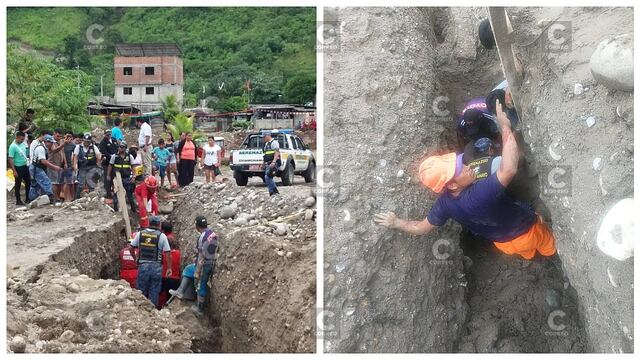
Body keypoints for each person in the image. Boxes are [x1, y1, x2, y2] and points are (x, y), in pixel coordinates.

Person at [374, 101, 557, 261]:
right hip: (527, 232)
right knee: (547, 243)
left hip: (503, 244)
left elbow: (422, 227)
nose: (468, 166)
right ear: (452, 184)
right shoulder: (480, 193)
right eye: (460, 169)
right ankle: (551, 254)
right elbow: (509, 168)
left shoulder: (445, 203)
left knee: (526, 251)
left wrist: (396, 222)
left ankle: (531, 256)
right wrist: (505, 128)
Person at [170, 215, 218, 316]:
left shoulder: (202, 237)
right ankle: (180, 291)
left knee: (201, 284)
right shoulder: (212, 233)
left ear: (197, 226)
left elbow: (201, 255)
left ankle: (199, 308)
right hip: (211, 262)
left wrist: (197, 271)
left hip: (204, 264)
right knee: (188, 269)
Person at [128, 216, 172, 308]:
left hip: (143, 266)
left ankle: (141, 310)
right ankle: (152, 311)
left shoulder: (140, 234)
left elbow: (131, 247)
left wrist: (135, 258)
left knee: (141, 291)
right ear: (159, 225)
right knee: (154, 291)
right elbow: (168, 253)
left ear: (149, 223)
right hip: (156, 267)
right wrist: (169, 268)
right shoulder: (162, 236)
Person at [28, 134, 62, 203]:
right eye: (51, 142)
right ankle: (51, 199)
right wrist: (55, 167)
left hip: (37, 167)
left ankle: (34, 199)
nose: (52, 144)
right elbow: (43, 161)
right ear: (46, 142)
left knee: (36, 185)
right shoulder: (41, 148)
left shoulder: (44, 148)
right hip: (36, 168)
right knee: (46, 182)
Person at [107, 141, 136, 212]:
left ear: (125, 148)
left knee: (129, 195)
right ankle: (116, 210)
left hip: (126, 178)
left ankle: (133, 210)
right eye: (119, 147)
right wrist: (108, 175)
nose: (120, 148)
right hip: (117, 178)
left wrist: (134, 176)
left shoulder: (129, 157)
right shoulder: (114, 156)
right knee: (116, 195)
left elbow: (133, 167)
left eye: (122, 147)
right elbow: (110, 166)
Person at [158, 222, 181, 309]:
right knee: (171, 298)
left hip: (165, 278)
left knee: (161, 294)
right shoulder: (178, 253)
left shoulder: (164, 254)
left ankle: (160, 308)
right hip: (175, 279)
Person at [73, 133, 102, 199]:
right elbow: (75, 157)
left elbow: (98, 156)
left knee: (91, 184)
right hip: (82, 167)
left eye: (88, 142)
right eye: (85, 141)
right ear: (83, 140)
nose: (86, 143)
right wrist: (74, 166)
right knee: (81, 184)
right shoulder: (78, 147)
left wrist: (99, 160)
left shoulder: (93, 147)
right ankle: (77, 198)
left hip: (92, 167)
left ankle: (91, 198)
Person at [8, 131, 31, 205]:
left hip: (25, 166)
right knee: (18, 184)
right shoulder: (13, 146)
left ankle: (28, 198)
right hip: (18, 167)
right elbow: (10, 159)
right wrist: (14, 171)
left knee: (28, 182)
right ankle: (18, 200)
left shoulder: (23, 144)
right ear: (17, 137)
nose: (22, 141)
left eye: (23, 139)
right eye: (21, 139)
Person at [99, 129, 118, 200]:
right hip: (107, 163)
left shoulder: (114, 140)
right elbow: (104, 152)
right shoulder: (103, 143)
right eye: (107, 134)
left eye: (110, 134)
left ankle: (115, 192)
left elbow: (117, 148)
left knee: (115, 177)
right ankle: (108, 194)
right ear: (105, 135)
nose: (109, 135)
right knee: (108, 178)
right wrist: (112, 156)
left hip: (115, 163)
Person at [263, 131, 281, 196]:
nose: (263, 138)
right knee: (268, 178)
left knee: (267, 177)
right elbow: (265, 155)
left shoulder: (274, 143)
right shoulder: (266, 144)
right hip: (268, 164)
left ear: (268, 136)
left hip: (273, 163)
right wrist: (263, 163)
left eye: (264, 137)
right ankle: (272, 192)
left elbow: (276, 152)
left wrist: (274, 162)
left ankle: (274, 192)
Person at [61, 131, 77, 202]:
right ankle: (66, 197)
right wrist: (65, 163)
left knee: (70, 182)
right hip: (62, 165)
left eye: (69, 138)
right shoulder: (61, 143)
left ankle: (71, 197)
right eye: (66, 137)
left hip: (70, 165)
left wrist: (74, 164)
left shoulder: (73, 145)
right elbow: (62, 153)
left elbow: (75, 155)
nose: (68, 139)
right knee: (64, 182)